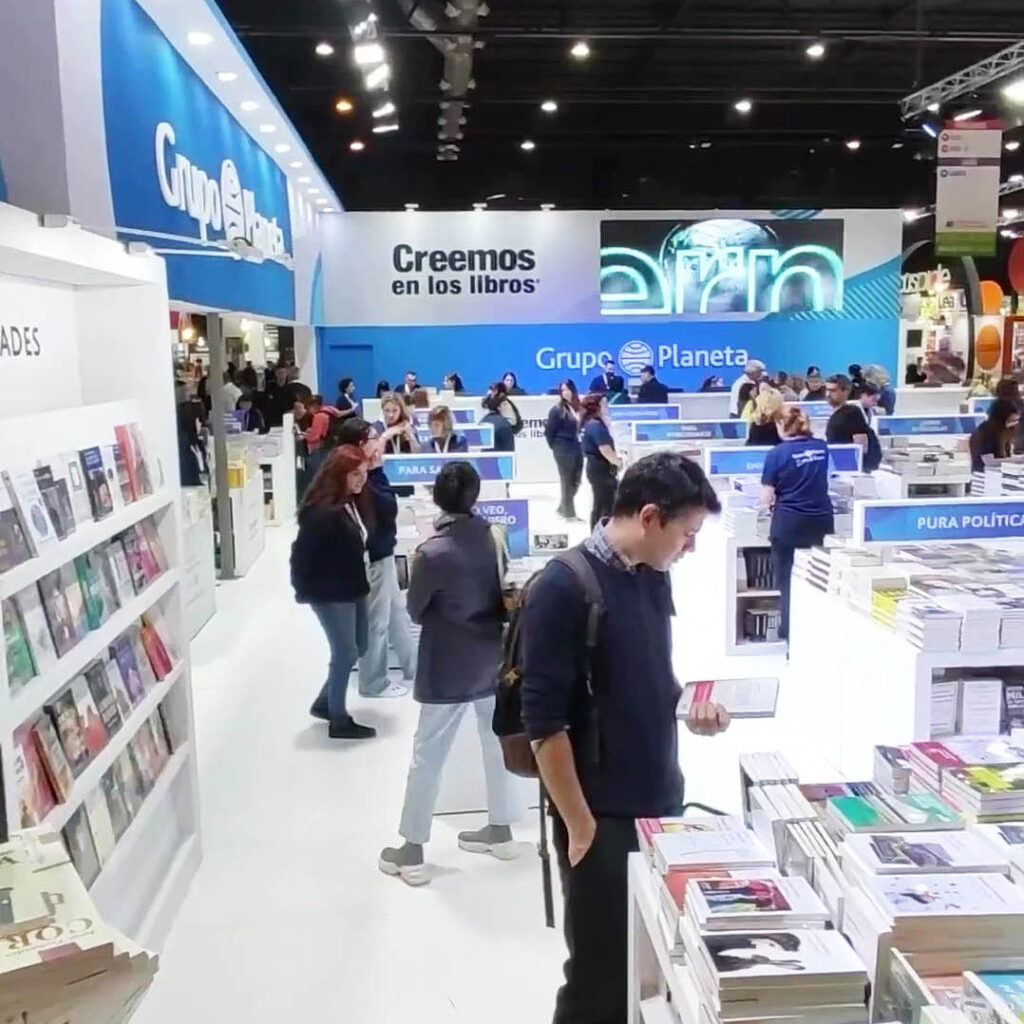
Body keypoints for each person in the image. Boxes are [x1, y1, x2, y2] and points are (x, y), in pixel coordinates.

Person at [520, 452, 731, 1024]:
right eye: (686, 534)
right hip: (601, 820)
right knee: (598, 982)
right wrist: (581, 825)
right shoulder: (563, 588)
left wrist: (690, 707)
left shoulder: (651, 576)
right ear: (649, 516)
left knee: (651, 968)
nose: (689, 548)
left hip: (659, 803)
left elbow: (650, 677)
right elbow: (542, 722)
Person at [380, 461, 517, 885]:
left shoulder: (431, 553)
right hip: (490, 657)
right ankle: (501, 829)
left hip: (445, 665)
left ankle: (413, 849)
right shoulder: (494, 536)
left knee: (428, 756)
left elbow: (415, 609)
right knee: (497, 746)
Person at [290, 445, 376, 739]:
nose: (361, 480)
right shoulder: (322, 512)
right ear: (339, 474)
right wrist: (305, 590)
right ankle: (338, 718)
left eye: (364, 473)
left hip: (354, 586)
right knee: (345, 652)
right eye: (355, 474)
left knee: (360, 645)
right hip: (330, 591)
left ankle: (325, 701)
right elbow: (301, 555)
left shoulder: (351, 502)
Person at [336, 419, 417, 700]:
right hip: (372, 557)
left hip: (383, 552)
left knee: (397, 614)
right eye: (373, 437)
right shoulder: (357, 475)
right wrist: (377, 470)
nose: (378, 441)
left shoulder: (368, 470)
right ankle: (373, 682)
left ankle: (413, 667)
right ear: (359, 444)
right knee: (376, 622)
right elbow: (385, 508)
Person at [761, 406, 834, 641]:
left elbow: (766, 498)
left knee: (787, 581)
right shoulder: (821, 447)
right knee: (817, 578)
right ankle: (816, 633)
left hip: (789, 523)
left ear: (782, 425)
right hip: (821, 521)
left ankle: (791, 634)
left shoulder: (777, 454)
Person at [581, 393, 622, 529]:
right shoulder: (596, 426)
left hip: (596, 468)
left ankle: (597, 532)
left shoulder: (591, 424)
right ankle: (601, 533)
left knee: (600, 503)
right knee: (605, 503)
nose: (607, 408)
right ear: (597, 407)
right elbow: (605, 450)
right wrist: (618, 462)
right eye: (605, 405)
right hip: (600, 470)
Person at [545, 379, 583, 520]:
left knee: (576, 480)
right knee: (567, 480)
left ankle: (562, 508)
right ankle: (569, 514)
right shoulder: (557, 410)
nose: (565, 392)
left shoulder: (577, 407)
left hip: (577, 447)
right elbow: (549, 432)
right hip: (563, 448)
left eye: (567, 389)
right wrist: (556, 447)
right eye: (562, 390)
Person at [970, 398, 1021, 472]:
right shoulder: (985, 431)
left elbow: (1005, 457)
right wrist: (1018, 460)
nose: (1014, 424)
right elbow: (989, 461)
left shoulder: (1004, 432)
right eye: (1011, 421)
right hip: (985, 475)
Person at [825, 375, 869, 457]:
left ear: (845, 392)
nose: (827, 395)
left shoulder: (853, 413)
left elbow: (862, 447)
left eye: (832, 391)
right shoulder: (834, 414)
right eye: (827, 390)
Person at [854, 381, 883, 472]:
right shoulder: (852, 411)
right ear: (864, 395)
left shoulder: (872, 411)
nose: (875, 404)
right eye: (873, 400)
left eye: (877, 401)